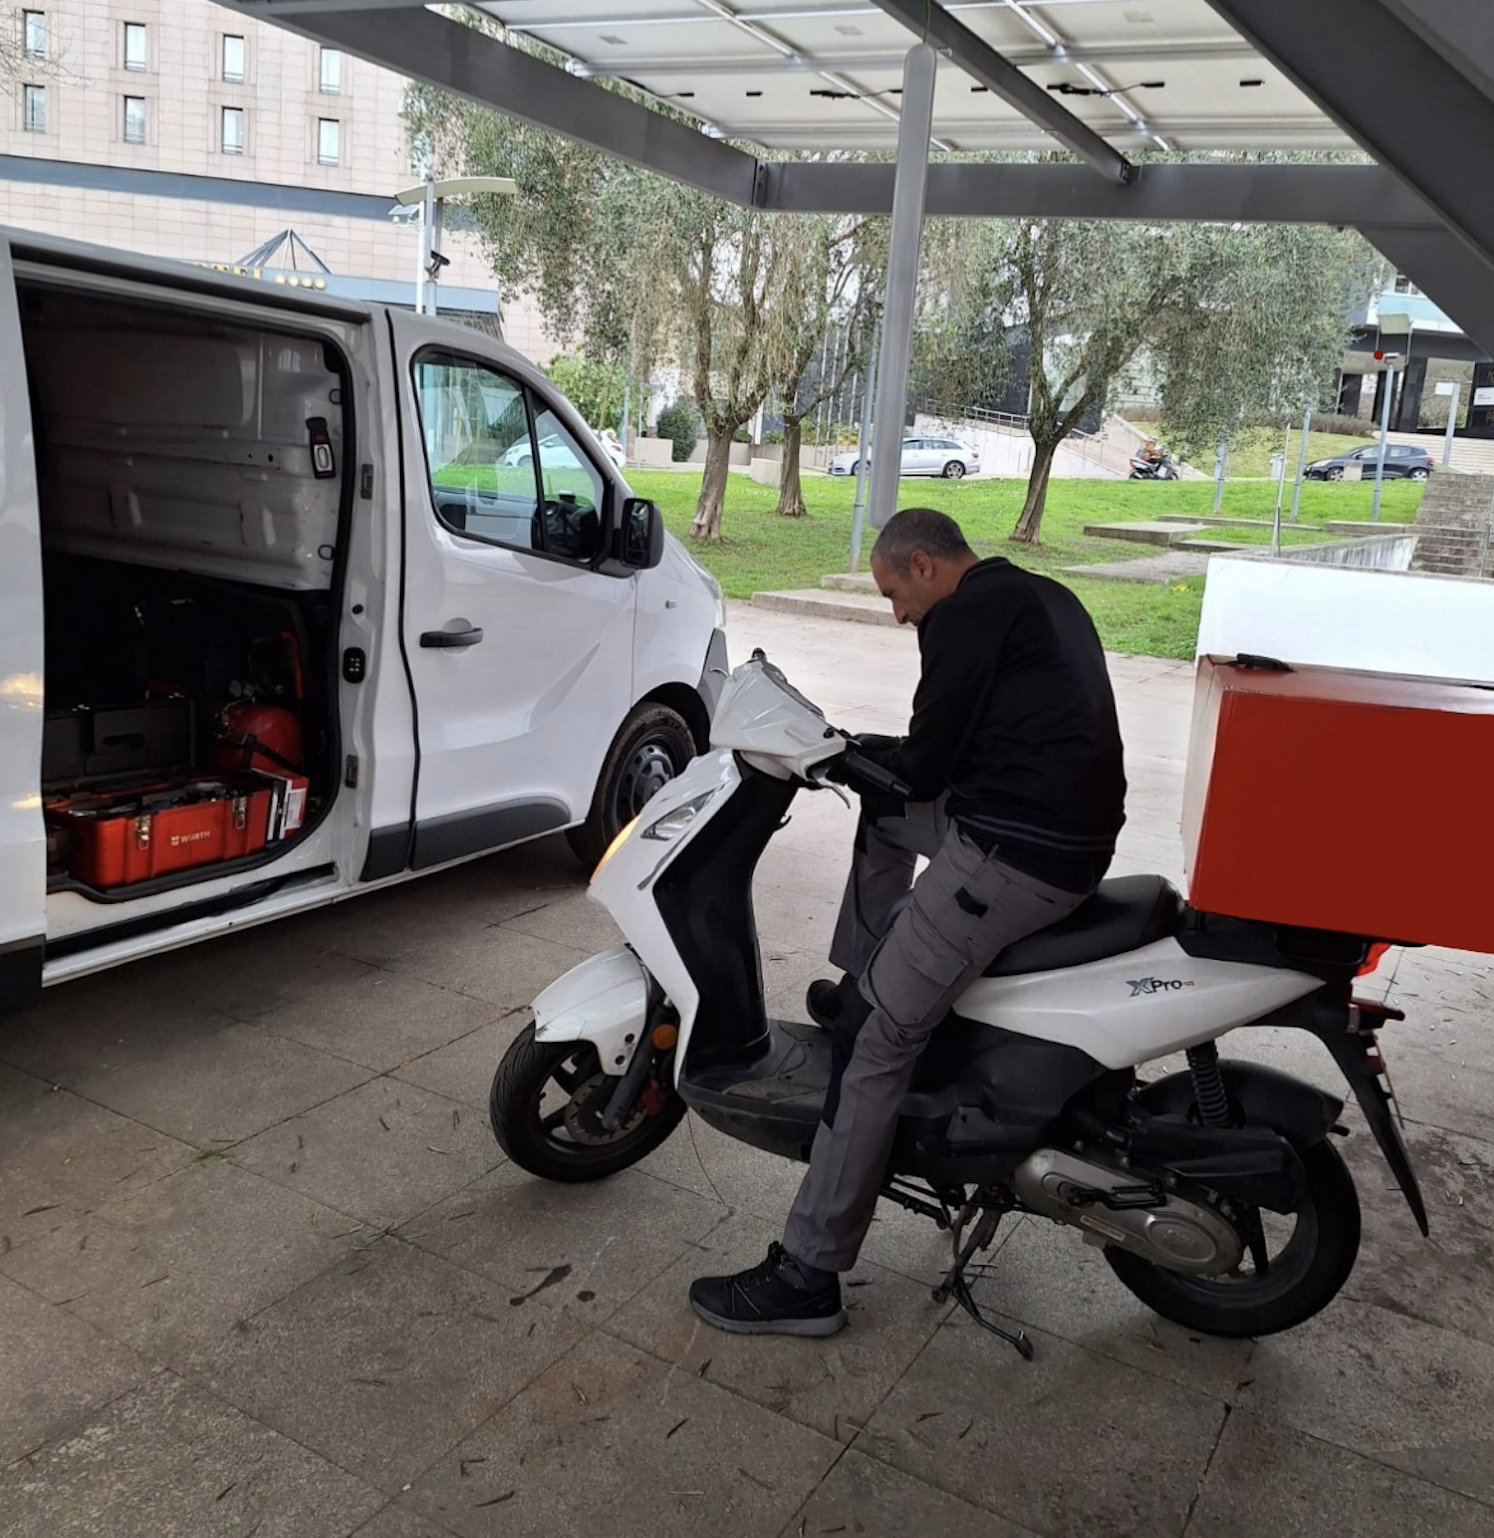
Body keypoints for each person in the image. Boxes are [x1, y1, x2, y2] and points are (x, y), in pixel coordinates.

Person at [688, 508, 1127, 1335]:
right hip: (1057, 830)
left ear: (923, 565)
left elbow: (925, 762)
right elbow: (947, 756)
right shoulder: (1039, 597)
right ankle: (865, 974)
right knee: (884, 818)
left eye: (895, 595)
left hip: (1015, 855)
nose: (895, 615)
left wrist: (847, 753)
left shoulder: (959, 617)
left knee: (879, 1042)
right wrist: (858, 753)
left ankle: (807, 1275)